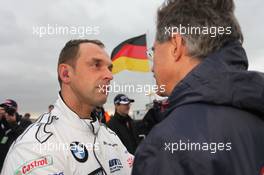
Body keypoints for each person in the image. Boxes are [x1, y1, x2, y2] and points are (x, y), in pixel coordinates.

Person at [132, 0, 264, 175]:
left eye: (153, 51)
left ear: (176, 45)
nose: (151, 66)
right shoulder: (254, 107)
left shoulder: (166, 146)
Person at [1, 39, 133, 174]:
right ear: (65, 74)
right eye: (96, 65)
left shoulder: (109, 135)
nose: (109, 76)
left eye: (109, 68)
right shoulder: (34, 148)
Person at [0, 99, 32, 172]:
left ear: (15, 109)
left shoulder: (25, 122)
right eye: (3, 109)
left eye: (8, 108)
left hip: (17, 162)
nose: (6, 111)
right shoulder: (2, 122)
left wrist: (13, 123)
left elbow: (25, 138)